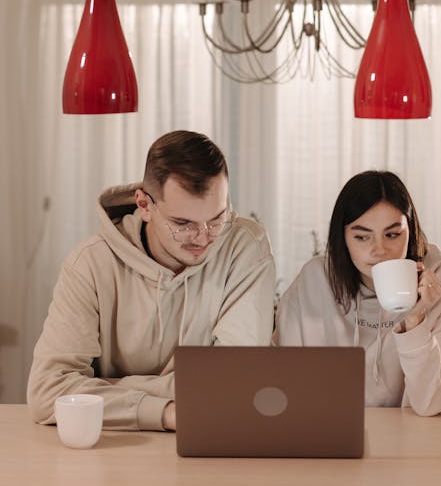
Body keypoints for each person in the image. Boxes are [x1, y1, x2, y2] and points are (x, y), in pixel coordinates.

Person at [28, 130, 276, 431]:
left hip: (212, 442)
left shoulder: (246, 246)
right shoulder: (89, 264)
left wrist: (104, 388)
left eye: (216, 220)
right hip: (111, 450)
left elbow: (236, 383)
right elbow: (47, 392)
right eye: (182, 224)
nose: (203, 238)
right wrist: (167, 412)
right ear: (144, 205)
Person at [273, 170, 441, 416]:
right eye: (361, 237)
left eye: (392, 234)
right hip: (329, 434)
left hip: (418, 437)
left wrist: (414, 322)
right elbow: (283, 383)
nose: (380, 250)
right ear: (343, 238)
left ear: (410, 231)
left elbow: (432, 403)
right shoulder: (315, 281)